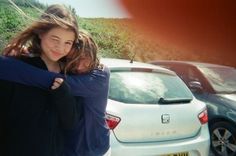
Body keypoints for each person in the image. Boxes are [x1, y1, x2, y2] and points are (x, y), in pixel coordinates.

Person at [0, 31, 111, 156]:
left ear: (93, 53)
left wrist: (6, 65)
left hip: (93, 149)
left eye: (85, 59)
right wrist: (29, 53)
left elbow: (44, 78)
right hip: (67, 147)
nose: (79, 66)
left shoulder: (100, 75)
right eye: (73, 60)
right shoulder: (68, 69)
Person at [0, 4, 82, 156]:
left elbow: (71, 123)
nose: (60, 48)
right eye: (55, 39)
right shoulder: (17, 67)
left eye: (68, 43)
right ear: (41, 33)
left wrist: (64, 95)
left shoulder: (70, 72)